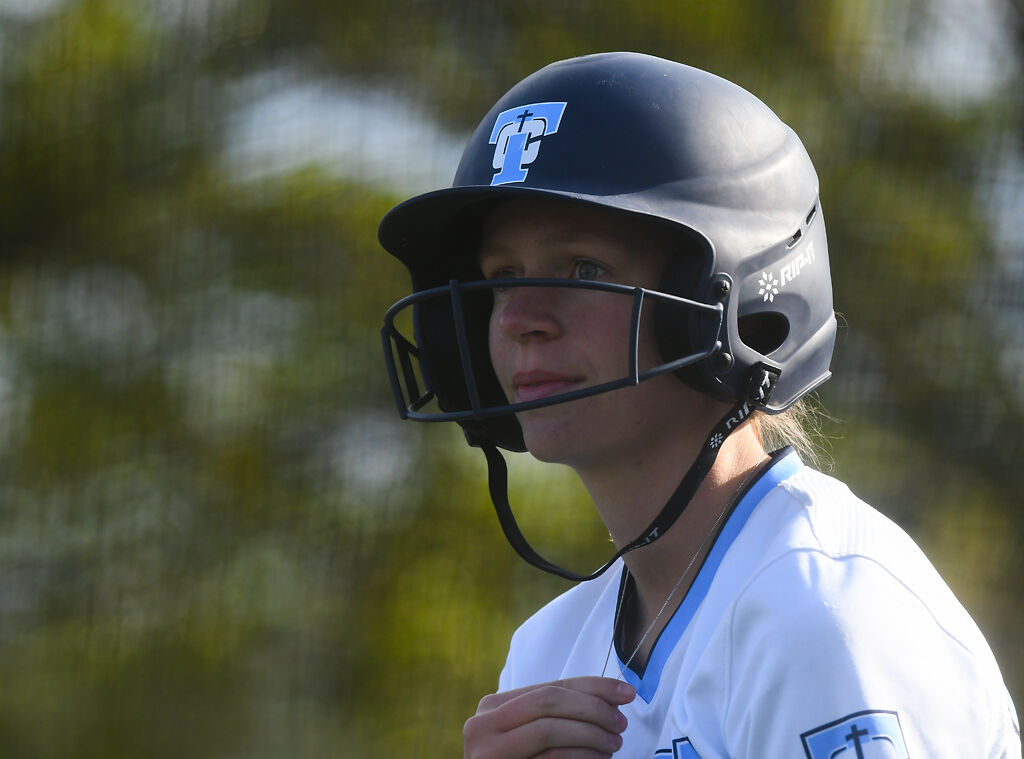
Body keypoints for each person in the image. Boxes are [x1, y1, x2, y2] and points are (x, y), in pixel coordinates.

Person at [377, 52, 1021, 759]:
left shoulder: (823, 613)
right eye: (502, 276)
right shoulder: (549, 655)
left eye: (583, 268)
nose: (520, 317)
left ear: (731, 302)